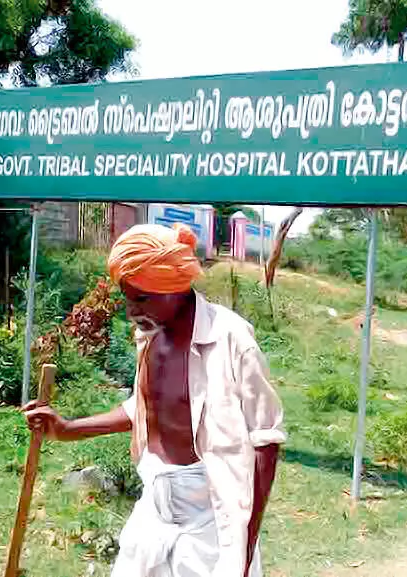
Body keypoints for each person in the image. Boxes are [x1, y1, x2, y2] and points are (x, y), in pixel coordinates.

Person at [23, 223, 285, 577]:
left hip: (211, 513)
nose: (131, 311)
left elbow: (264, 442)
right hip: (155, 506)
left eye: (141, 298)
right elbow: (143, 409)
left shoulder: (231, 338)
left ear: (174, 286)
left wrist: (244, 544)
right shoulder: (148, 337)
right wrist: (68, 429)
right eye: (127, 298)